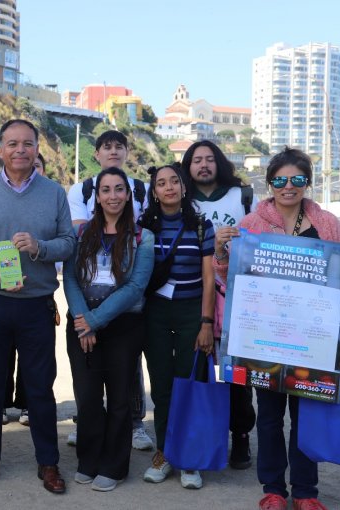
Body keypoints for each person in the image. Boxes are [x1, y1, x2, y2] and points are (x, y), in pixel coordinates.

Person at [214, 147, 340, 510]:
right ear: (269, 183)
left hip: (313, 340)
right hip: (266, 340)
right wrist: (220, 251)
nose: (287, 186)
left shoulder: (328, 223)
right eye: (279, 180)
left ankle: (306, 491)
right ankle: (274, 489)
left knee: (307, 418)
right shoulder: (250, 224)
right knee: (270, 417)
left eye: (296, 179)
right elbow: (226, 275)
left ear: (307, 182)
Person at [0, 119, 75, 494]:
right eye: (12, 144)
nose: (20, 150)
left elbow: (68, 243)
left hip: (36, 305)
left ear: (37, 148)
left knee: (40, 388)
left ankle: (48, 463)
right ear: (0, 149)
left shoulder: (54, 192)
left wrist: (41, 247)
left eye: (27, 144)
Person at [62, 167, 154, 492]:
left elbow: (135, 287)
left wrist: (95, 321)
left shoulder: (142, 237)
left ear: (128, 195)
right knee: (87, 398)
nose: (112, 196)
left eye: (119, 189)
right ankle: (89, 459)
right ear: (97, 197)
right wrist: (83, 321)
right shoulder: (81, 233)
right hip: (81, 324)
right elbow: (71, 278)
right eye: (106, 190)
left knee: (118, 399)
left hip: (123, 326)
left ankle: (114, 466)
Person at [137, 163, 216, 489]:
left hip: (190, 314)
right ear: (154, 191)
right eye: (161, 183)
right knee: (162, 387)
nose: (168, 187)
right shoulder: (144, 225)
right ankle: (164, 452)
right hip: (154, 313)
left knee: (188, 384)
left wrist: (206, 323)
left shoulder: (201, 225)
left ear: (184, 187)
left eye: (174, 182)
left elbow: (209, 278)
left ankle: (189, 458)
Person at [180, 140, 257, 470]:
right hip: (192, 295)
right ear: (188, 166)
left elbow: (260, 237)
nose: (203, 165)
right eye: (196, 160)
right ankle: (202, 435)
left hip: (234, 296)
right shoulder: (179, 197)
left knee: (237, 373)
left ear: (220, 163)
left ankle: (240, 434)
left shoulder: (241, 196)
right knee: (196, 370)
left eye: (210, 159)